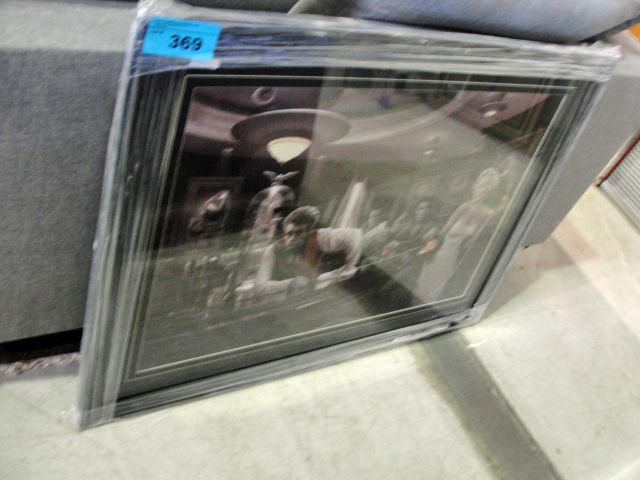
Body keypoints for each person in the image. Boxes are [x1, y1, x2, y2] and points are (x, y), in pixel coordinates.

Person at [254, 206, 362, 296]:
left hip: (310, 298)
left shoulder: (316, 237)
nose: (292, 239)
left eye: (299, 233)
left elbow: (354, 236)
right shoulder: (272, 250)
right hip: (279, 303)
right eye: (289, 234)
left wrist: (347, 267)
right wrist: (291, 283)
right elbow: (260, 287)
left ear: (307, 233)